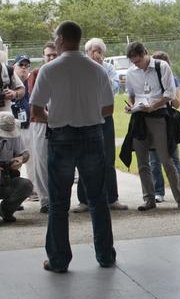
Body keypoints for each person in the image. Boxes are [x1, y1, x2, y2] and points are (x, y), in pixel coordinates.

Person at [30, 21, 118, 272]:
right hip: (92, 136)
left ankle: (58, 260)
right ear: (79, 40)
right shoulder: (97, 69)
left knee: (59, 203)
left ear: (59, 39)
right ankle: (105, 255)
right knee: (98, 200)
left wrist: (56, 118)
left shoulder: (49, 70)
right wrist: (87, 113)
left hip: (61, 137)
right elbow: (109, 108)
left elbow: (36, 110)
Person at [120, 41, 180, 210]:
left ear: (145, 54)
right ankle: (149, 199)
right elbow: (132, 94)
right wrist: (131, 106)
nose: (137, 65)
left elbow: (170, 94)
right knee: (143, 161)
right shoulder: (131, 72)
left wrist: (153, 106)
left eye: (138, 61)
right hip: (139, 117)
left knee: (166, 158)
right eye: (133, 62)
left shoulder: (161, 66)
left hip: (158, 116)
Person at [73, 38, 128, 213]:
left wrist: (99, 70)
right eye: (93, 51)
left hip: (105, 118)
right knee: (84, 159)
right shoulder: (80, 68)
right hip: (85, 118)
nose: (97, 55)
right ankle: (84, 200)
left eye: (100, 52)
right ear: (87, 52)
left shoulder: (109, 68)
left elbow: (114, 89)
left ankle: (112, 198)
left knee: (108, 158)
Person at [148, 50, 180, 204]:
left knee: (174, 158)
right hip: (151, 120)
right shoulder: (146, 78)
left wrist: (168, 94)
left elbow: (177, 103)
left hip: (168, 121)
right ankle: (158, 192)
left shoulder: (172, 79)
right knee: (154, 160)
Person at [25, 43, 58, 212]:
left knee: (58, 163)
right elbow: (35, 99)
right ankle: (46, 200)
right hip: (40, 122)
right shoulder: (36, 74)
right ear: (43, 56)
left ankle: (57, 198)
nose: (51, 58)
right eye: (48, 55)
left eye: (54, 55)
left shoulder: (62, 72)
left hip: (60, 122)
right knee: (41, 161)